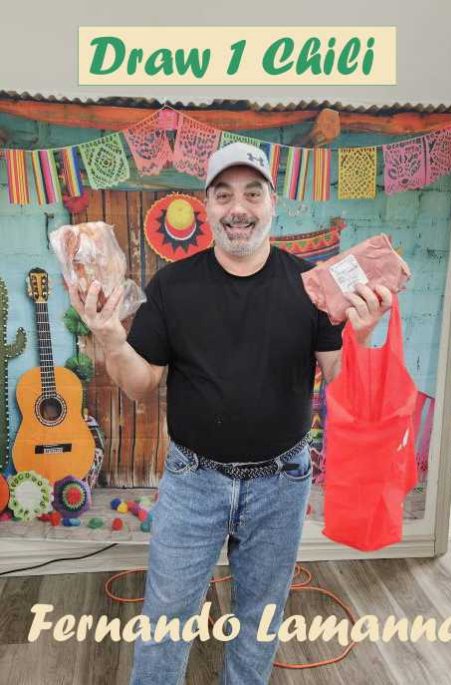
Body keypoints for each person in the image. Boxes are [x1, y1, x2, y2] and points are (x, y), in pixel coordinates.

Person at [68, 142, 392, 684]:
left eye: (252, 194)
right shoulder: (173, 286)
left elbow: (339, 379)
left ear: (273, 204)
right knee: (166, 621)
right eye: (223, 195)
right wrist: (110, 339)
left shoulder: (313, 286)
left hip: (281, 483)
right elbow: (141, 384)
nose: (238, 208)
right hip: (193, 481)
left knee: (259, 621)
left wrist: (361, 335)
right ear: (207, 207)